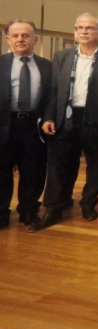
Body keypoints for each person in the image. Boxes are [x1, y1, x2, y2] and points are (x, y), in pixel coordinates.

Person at [32, 13, 98, 229]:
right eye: (80, 28)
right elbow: (53, 89)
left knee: (95, 163)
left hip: (95, 118)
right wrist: (49, 116)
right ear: (75, 32)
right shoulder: (62, 56)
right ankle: (54, 207)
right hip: (65, 117)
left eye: (89, 28)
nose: (84, 31)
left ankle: (88, 203)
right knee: (58, 163)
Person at [0, 19, 52, 228]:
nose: (20, 39)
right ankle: (1, 212)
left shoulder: (47, 66)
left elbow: (51, 98)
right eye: (15, 35)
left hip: (33, 126)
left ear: (35, 39)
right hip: (4, 125)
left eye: (26, 35)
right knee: (2, 171)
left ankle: (29, 210)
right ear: (7, 39)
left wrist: (48, 118)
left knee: (33, 170)